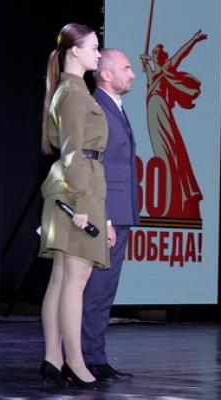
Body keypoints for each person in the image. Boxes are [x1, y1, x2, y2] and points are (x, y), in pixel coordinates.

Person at [38, 23, 106, 389]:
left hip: (70, 189)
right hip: (77, 192)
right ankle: (75, 363)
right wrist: (82, 203)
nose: (98, 53)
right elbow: (72, 153)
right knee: (73, 280)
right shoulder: (75, 94)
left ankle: (53, 358)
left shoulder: (68, 90)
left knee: (62, 278)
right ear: (75, 51)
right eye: (94, 47)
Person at [81, 48, 140, 381]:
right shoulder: (96, 107)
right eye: (126, 68)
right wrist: (102, 217)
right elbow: (91, 166)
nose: (132, 74)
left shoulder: (114, 106)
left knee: (105, 289)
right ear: (106, 74)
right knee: (96, 289)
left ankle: (94, 356)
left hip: (120, 210)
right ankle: (87, 359)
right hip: (105, 212)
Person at [140, 30, 207, 219]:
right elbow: (148, 73)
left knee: (171, 148)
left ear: (164, 56)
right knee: (160, 150)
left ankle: (179, 194)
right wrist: (145, 63)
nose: (157, 54)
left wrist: (193, 39)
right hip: (152, 112)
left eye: (159, 52)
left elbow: (181, 53)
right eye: (155, 52)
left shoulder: (167, 68)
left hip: (160, 108)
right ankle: (169, 195)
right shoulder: (152, 73)